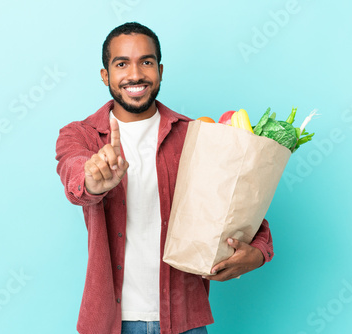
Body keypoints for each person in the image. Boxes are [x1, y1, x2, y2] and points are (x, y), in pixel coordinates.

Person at [55, 22, 274, 334]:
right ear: (105, 75)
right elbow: (74, 175)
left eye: (146, 62)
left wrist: (260, 252)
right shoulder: (80, 135)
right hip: (111, 322)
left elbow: (240, 208)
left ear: (159, 70)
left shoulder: (194, 135)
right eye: (121, 64)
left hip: (184, 320)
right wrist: (94, 179)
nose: (135, 74)